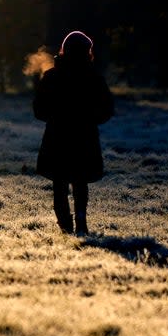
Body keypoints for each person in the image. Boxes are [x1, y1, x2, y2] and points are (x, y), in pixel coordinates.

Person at [33, 30, 114, 235]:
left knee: (59, 183)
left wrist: (55, 118)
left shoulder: (52, 77)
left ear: (64, 50)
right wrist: (89, 119)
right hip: (84, 138)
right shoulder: (94, 78)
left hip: (57, 138)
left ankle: (65, 226)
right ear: (87, 52)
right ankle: (81, 221)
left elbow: (38, 110)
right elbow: (107, 110)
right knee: (80, 181)